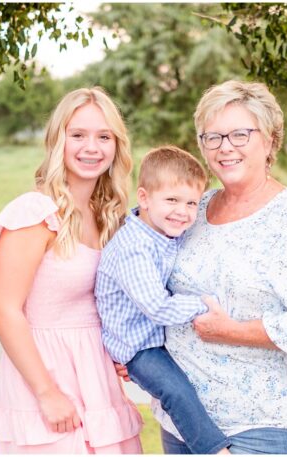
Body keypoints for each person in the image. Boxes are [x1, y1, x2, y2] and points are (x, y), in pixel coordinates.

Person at [157, 81, 287, 454]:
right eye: (212, 137)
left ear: (268, 140)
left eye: (239, 134)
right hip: (183, 425)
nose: (225, 147)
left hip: (265, 429)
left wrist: (233, 331)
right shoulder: (192, 210)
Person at [0, 87, 143, 453]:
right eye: (78, 135)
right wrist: (47, 392)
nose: (92, 147)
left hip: (97, 377)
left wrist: (122, 352)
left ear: (117, 145)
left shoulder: (107, 216)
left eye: (104, 136)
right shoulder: (35, 212)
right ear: (58, 140)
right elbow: (4, 309)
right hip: (47, 376)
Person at [95, 146, 231, 454]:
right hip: (136, 346)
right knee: (175, 391)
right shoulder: (134, 248)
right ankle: (214, 450)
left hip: (153, 337)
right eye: (171, 200)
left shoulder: (163, 232)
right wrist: (204, 304)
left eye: (191, 203)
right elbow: (157, 307)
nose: (182, 212)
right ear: (144, 198)